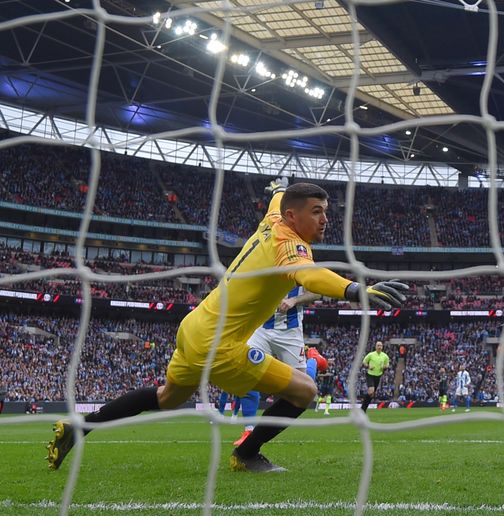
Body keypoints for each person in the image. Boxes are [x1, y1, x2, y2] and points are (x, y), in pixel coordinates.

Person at [46, 180, 408, 473]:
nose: (325, 220)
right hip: (219, 346)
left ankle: (80, 427)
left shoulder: (273, 219)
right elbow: (308, 274)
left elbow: (279, 199)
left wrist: (279, 187)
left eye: (326, 212)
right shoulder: (291, 245)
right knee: (305, 392)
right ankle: (247, 454)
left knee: (166, 397)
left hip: (194, 327)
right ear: (293, 217)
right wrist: (353, 289)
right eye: (316, 213)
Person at [233, 287, 322, 447]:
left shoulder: (301, 266)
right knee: (245, 370)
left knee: (303, 390)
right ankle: (248, 430)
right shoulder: (264, 264)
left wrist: (294, 300)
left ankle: (312, 361)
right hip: (262, 329)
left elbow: (317, 292)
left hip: (290, 332)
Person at [360, 341, 389, 412]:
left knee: (372, 394)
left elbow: (387, 365)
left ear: (382, 347)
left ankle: (363, 409)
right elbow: (364, 362)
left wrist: (384, 367)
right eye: (378, 345)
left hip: (378, 376)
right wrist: (368, 366)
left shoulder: (385, 356)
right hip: (370, 375)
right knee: (371, 391)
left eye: (380, 346)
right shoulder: (371, 354)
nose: (379, 347)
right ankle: (362, 408)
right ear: (375, 347)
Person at [311, 349, 334, 416]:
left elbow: (334, 375)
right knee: (321, 397)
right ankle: (317, 406)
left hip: (330, 385)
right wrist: (325, 375)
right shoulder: (324, 368)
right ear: (328, 361)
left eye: (332, 360)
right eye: (330, 360)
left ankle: (326, 411)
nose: (332, 361)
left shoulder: (334, 368)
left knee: (329, 397)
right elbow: (318, 375)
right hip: (324, 384)